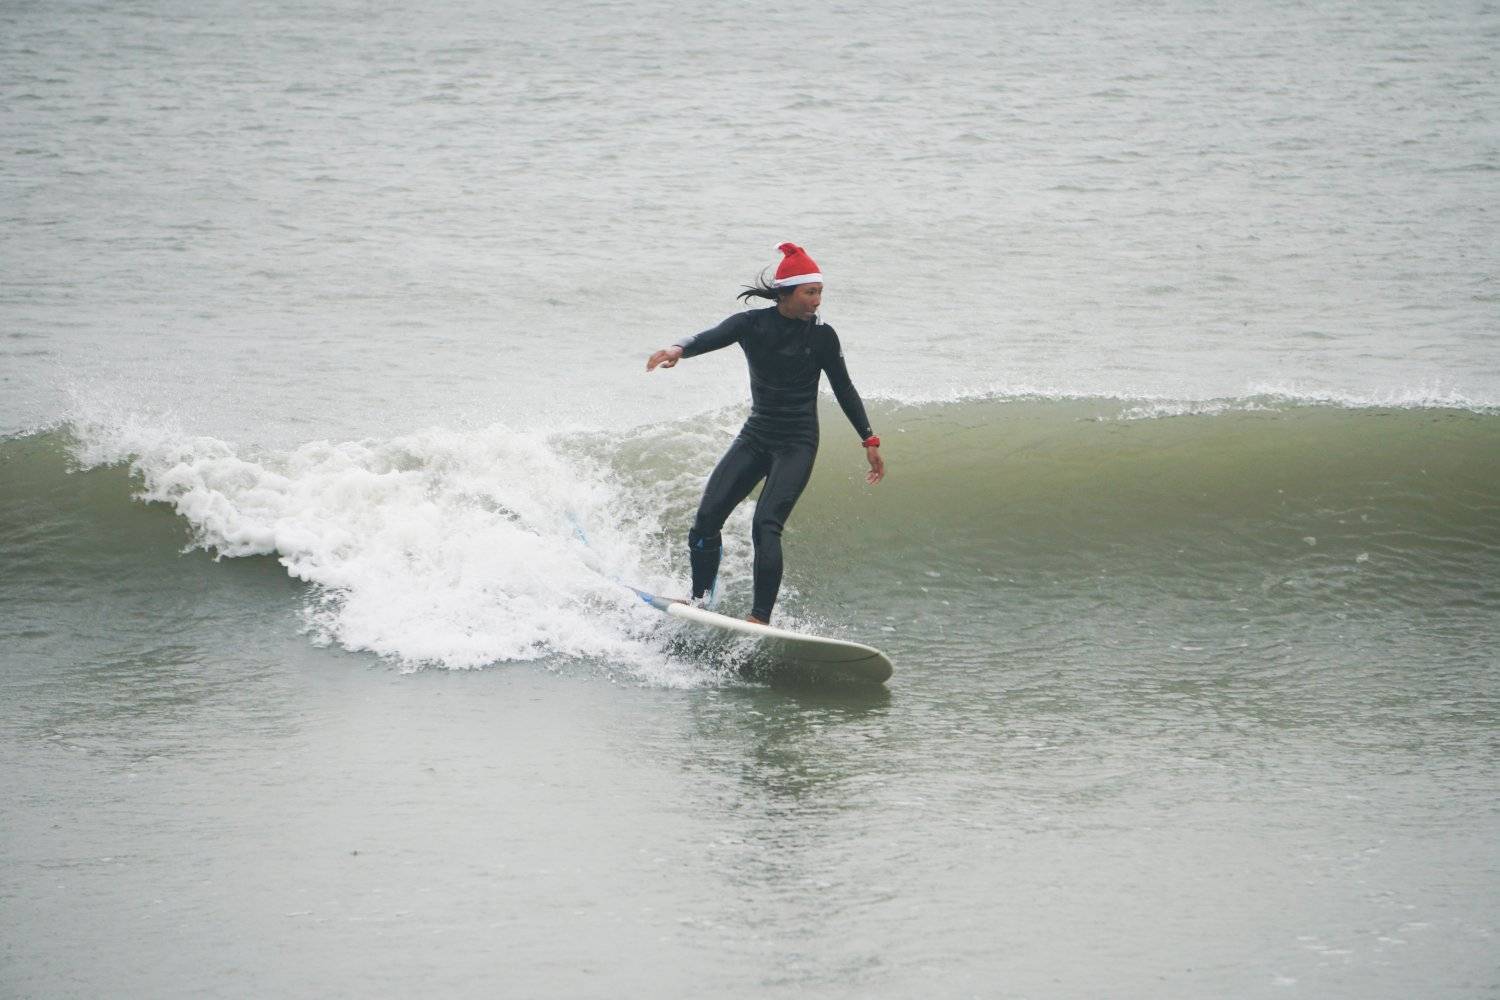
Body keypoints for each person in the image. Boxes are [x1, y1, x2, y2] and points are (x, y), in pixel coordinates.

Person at [646, 243, 884, 625]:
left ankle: (760, 618)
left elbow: (844, 387)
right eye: (810, 292)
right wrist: (678, 349)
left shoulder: (824, 336)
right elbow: (711, 336)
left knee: (766, 525)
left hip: (797, 442)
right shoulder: (752, 325)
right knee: (706, 520)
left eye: (820, 291)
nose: (817, 301)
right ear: (785, 293)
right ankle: (700, 600)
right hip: (757, 436)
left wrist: (869, 439)